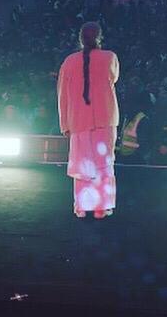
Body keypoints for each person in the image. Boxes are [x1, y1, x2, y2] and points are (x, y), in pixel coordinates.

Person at [58, 21, 119, 219]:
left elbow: (62, 96)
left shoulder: (69, 61)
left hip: (77, 120)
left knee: (82, 165)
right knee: (104, 163)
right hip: (105, 118)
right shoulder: (110, 57)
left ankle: (81, 207)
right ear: (100, 37)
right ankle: (102, 208)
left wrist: (64, 124)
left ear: (80, 38)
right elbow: (113, 77)